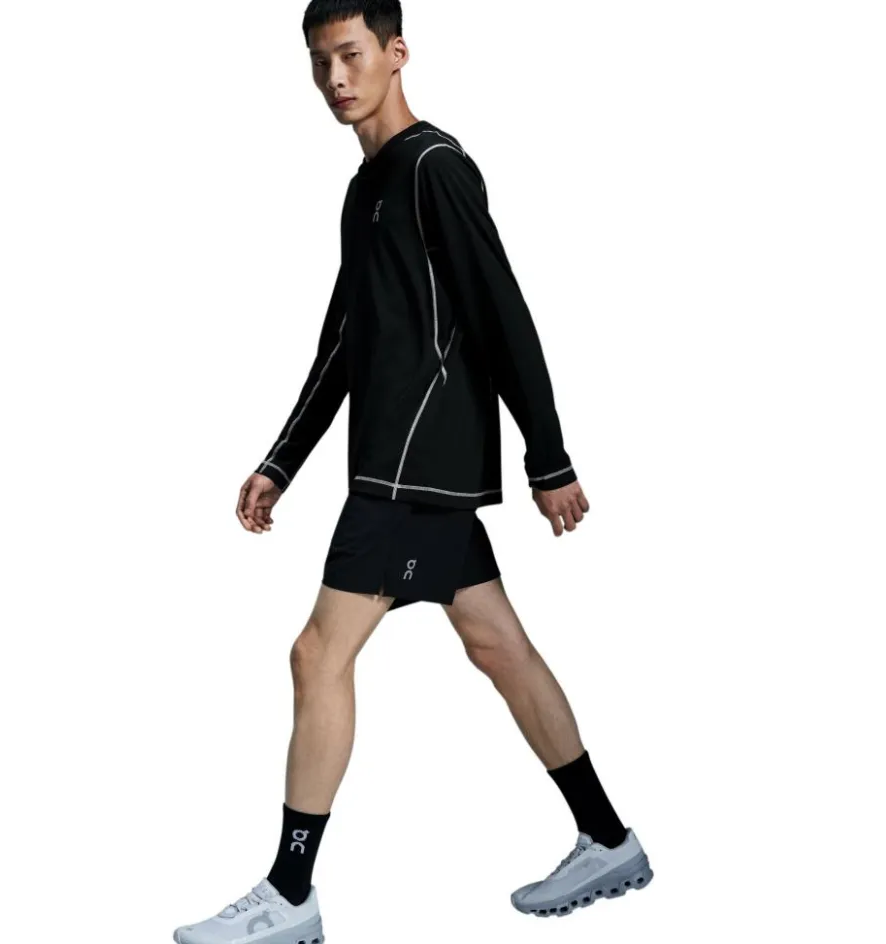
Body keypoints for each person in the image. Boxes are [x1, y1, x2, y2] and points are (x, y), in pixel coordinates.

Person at [173, 3, 652, 942]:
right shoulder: (366, 189)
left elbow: (502, 312)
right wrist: (281, 461)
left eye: (351, 55)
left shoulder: (436, 168)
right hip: (406, 472)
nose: (335, 79)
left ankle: (290, 896)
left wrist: (549, 456)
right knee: (498, 646)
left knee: (318, 654)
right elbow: (343, 344)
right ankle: (608, 839)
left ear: (397, 53)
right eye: (320, 62)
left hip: (410, 473)